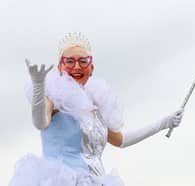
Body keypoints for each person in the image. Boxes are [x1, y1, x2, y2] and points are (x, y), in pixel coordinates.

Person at [9, 32, 184, 186]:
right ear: (61, 67)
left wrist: (163, 123)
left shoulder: (96, 105)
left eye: (83, 61)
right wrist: (39, 88)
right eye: (69, 61)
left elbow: (121, 141)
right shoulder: (54, 98)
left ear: (91, 68)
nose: (77, 67)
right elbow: (41, 122)